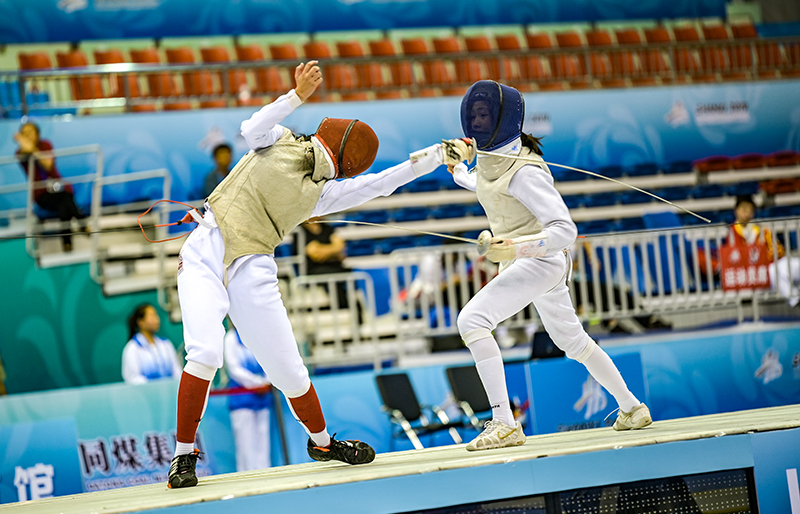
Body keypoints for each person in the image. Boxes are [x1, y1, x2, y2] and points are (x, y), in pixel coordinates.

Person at [168, 60, 473, 488]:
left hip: (253, 261)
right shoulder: (281, 139)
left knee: (288, 370)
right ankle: (183, 455)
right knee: (206, 352)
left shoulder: (324, 192)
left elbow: (382, 183)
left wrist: (437, 156)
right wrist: (295, 97)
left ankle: (322, 443)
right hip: (208, 244)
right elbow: (252, 127)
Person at [449, 80, 652, 452]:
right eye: (473, 115)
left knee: (472, 321)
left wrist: (515, 247)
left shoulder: (526, 172)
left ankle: (504, 423)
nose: (477, 122)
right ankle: (632, 407)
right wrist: (457, 168)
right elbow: (483, 182)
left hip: (540, 261)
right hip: (532, 264)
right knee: (572, 342)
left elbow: (565, 230)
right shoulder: (494, 163)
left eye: (484, 114)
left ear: (502, 118)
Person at [14, 121, 86, 252]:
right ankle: (82, 223)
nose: (28, 135)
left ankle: (67, 243)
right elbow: (26, 151)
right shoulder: (20, 152)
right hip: (42, 194)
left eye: (30, 132)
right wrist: (27, 146)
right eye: (24, 134)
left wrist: (33, 150)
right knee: (64, 200)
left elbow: (47, 165)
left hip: (59, 188)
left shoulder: (45, 145)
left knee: (64, 202)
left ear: (37, 133)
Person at [727, 194, 800, 306]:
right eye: (744, 209)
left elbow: (779, 250)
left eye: (750, 209)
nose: (747, 212)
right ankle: (795, 300)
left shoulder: (762, 230)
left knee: (792, 265)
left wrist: (767, 256)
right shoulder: (732, 233)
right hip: (753, 274)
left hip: (773, 264)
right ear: (736, 211)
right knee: (773, 271)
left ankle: (795, 299)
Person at [224, 326, 273, 471]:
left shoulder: (259, 334)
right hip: (242, 399)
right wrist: (256, 383)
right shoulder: (231, 338)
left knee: (263, 442)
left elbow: (270, 361)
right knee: (245, 444)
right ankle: (246, 475)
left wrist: (266, 381)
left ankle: (265, 474)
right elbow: (234, 369)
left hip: (262, 397)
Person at [298, 217, 363, 322]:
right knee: (332, 277)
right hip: (313, 270)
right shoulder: (300, 231)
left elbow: (340, 248)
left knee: (354, 273)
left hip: (335, 267)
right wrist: (333, 251)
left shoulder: (326, 227)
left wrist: (324, 251)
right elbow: (315, 254)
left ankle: (352, 306)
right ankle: (348, 306)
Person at [122, 304, 183, 384]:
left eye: (156, 315)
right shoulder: (132, 348)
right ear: (140, 322)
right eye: (152, 316)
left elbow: (177, 372)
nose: (157, 319)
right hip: (145, 391)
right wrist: (154, 388)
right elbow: (132, 378)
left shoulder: (166, 344)